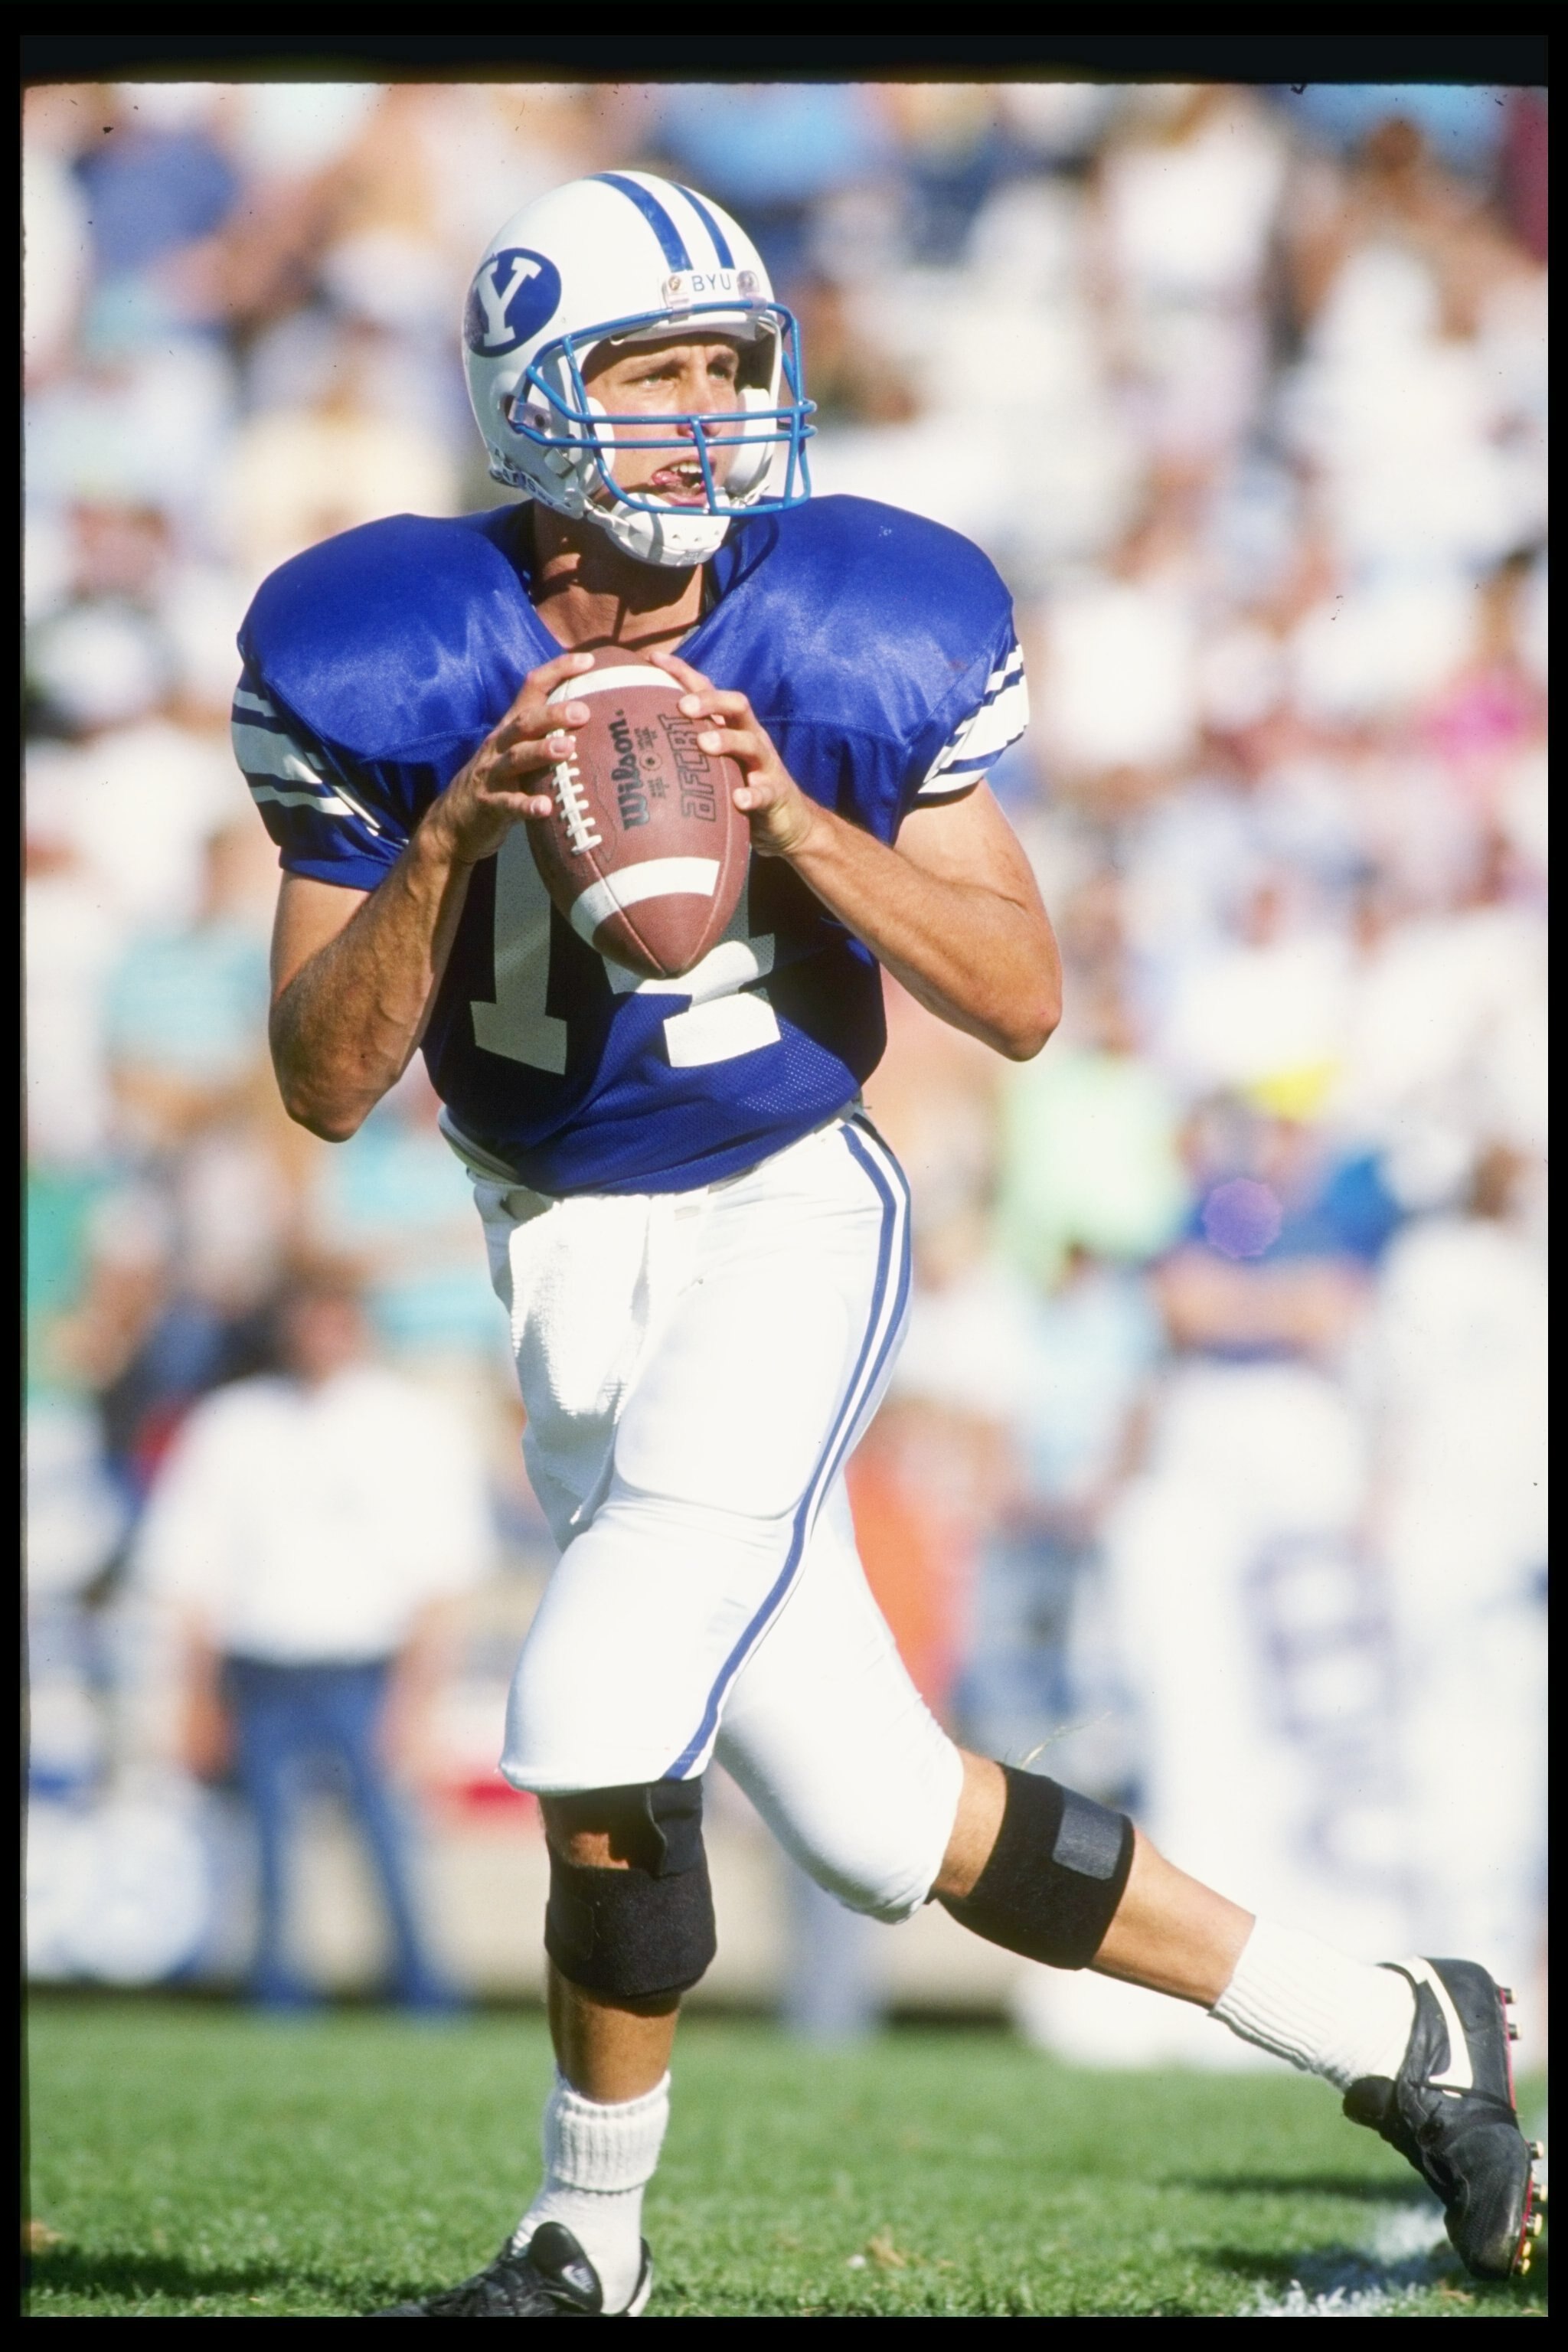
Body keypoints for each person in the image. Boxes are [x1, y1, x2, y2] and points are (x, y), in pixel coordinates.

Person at [232, 173, 1539, 2312]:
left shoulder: (846, 619)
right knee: (876, 1815)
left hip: (781, 1217)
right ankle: (1407, 2027)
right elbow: (319, 1074)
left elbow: (1018, 995)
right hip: (554, 1254)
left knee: (597, 1703)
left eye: (729, 364)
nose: (706, 409)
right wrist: (454, 832)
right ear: (532, 397)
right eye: (654, 370)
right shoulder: (387, 648)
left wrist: (795, 822)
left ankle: (581, 2238)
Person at [132, 1260, 493, 2009]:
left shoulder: (411, 1424)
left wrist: (417, 1701)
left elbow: (444, 1578)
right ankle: (276, 1995)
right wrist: (195, 1696)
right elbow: (191, 1573)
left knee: (389, 1843)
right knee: (266, 1848)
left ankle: (421, 1993)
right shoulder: (233, 1424)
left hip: (367, 1666)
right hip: (261, 1667)